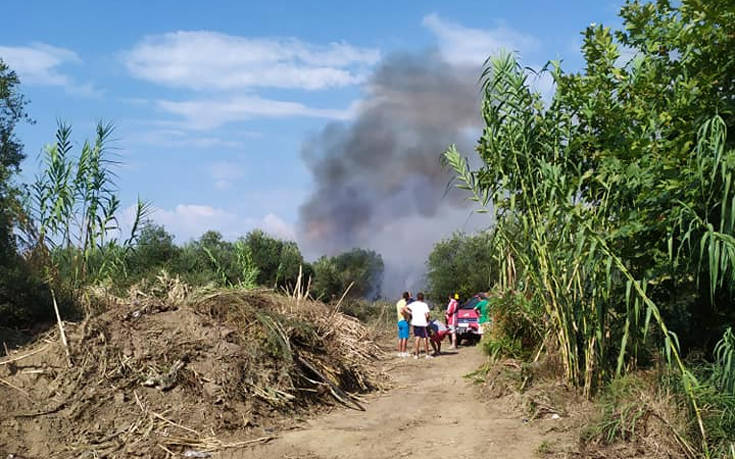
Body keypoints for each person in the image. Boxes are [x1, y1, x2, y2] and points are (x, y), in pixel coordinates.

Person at [403, 292, 431, 359]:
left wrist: (411, 313)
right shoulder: (424, 305)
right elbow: (427, 315)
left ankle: (416, 355)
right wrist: (428, 320)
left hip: (415, 323)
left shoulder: (413, 304)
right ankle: (427, 355)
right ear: (423, 298)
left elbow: (404, 308)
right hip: (423, 323)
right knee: (424, 338)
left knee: (417, 338)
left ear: (417, 298)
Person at [395, 292, 411, 357]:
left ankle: (399, 352)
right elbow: (402, 311)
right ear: (407, 297)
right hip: (404, 321)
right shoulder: (405, 303)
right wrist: (407, 317)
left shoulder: (398, 302)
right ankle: (404, 352)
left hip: (399, 321)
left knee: (400, 338)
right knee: (405, 338)